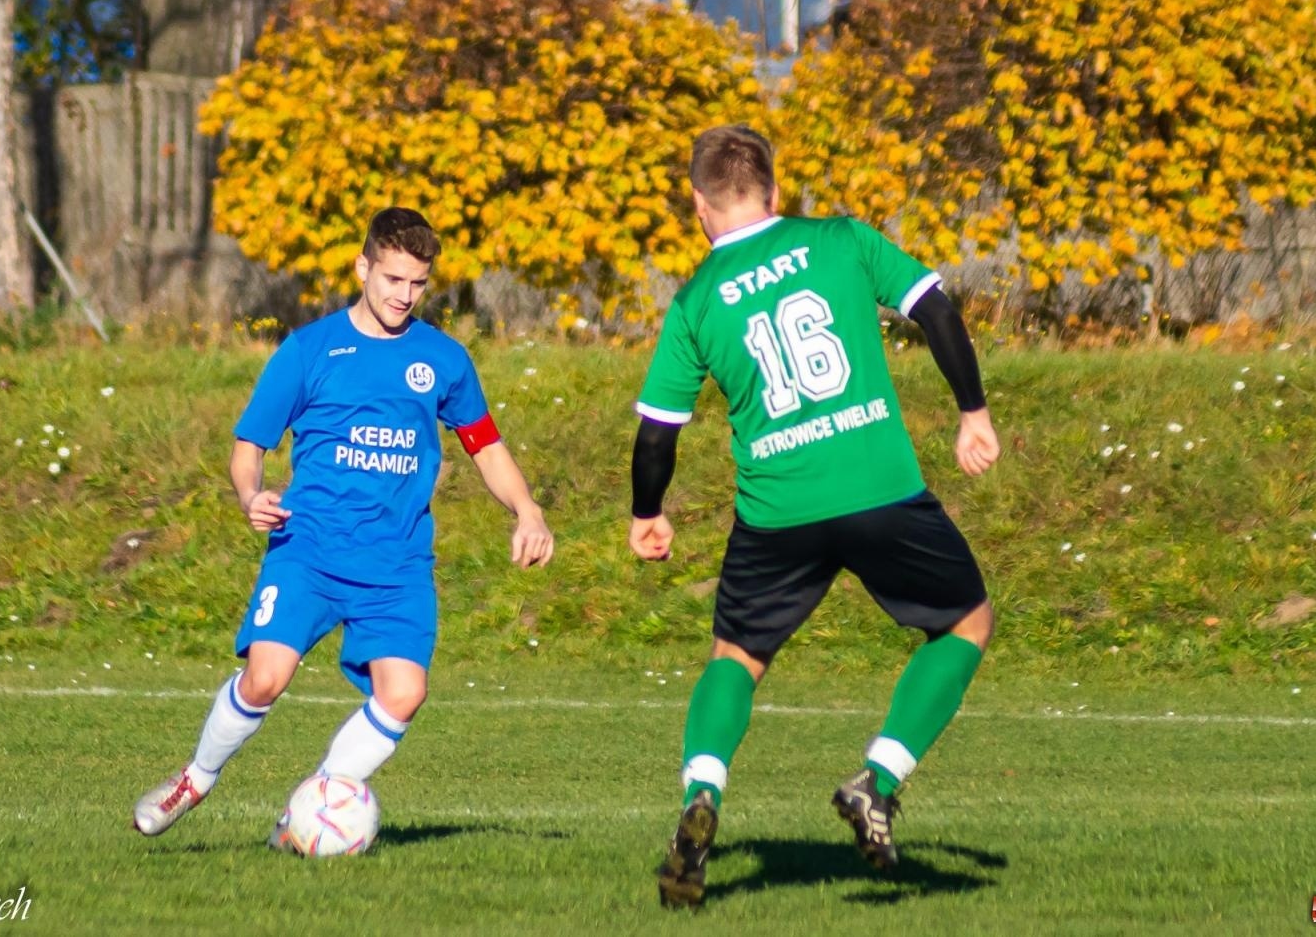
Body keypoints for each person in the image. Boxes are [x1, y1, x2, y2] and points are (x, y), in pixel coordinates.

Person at [629, 125, 999, 907]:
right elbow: (934, 307)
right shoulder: (841, 240)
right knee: (966, 623)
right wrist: (972, 411)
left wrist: (647, 513)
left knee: (735, 658)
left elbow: (658, 431)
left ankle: (704, 794)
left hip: (778, 511)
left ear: (698, 204)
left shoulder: (696, 299)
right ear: (776, 185)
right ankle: (879, 778)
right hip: (879, 489)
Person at [133, 207, 554, 846]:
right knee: (266, 677)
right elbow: (248, 449)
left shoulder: (443, 359)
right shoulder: (308, 350)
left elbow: (486, 446)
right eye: (391, 279)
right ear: (362, 268)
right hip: (309, 550)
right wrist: (252, 495)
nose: (403, 295)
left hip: (397, 563)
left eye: (417, 283)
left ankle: (312, 810)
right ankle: (196, 777)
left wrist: (528, 509)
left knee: (405, 693)